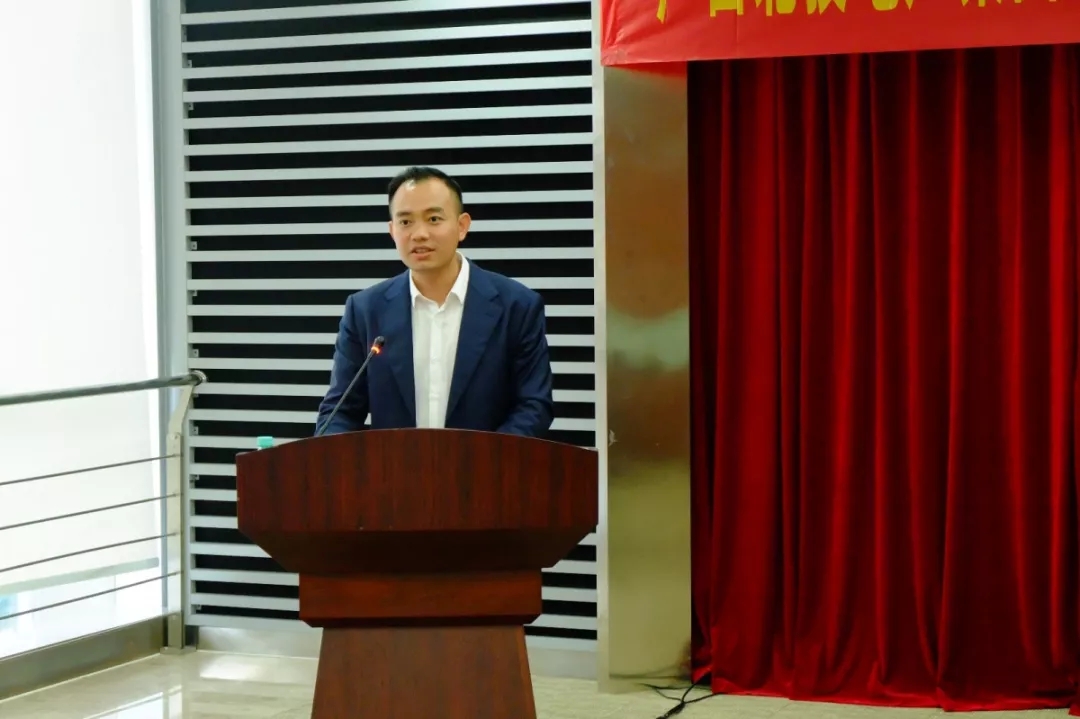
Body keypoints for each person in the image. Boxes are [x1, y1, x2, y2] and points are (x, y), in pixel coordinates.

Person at [315, 166, 554, 437]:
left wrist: (484, 459)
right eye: (406, 222)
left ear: (462, 226)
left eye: (433, 219)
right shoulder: (365, 311)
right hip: (393, 465)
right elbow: (340, 412)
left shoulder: (517, 306)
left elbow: (534, 406)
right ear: (392, 231)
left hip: (488, 463)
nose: (419, 234)